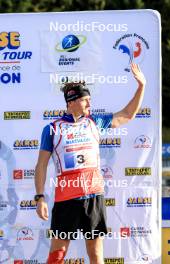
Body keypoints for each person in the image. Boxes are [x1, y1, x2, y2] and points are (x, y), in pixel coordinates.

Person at [34, 63, 146, 264]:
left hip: (93, 196)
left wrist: (141, 87)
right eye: (86, 100)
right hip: (66, 198)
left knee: (95, 254)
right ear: (72, 101)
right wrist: (40, 197)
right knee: (57, 256)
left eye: (90, 100)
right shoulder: (52, 129)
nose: (89, 104)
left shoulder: (95, 122)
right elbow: (41, 165)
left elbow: (127, 114)